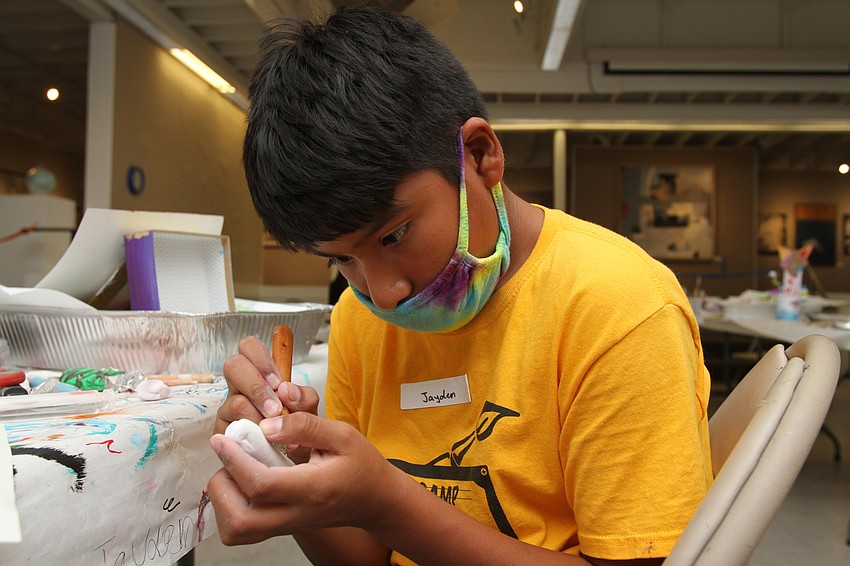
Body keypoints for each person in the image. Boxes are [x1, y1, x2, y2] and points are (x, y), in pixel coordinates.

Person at [206, 6, 712, 565]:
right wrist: (294, 473)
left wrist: (387, 502)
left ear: (479, 154)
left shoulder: (617, 307)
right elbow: (366, 558)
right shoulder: (360, 317)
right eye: (342, 260)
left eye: (395, 236)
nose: (383, 292)